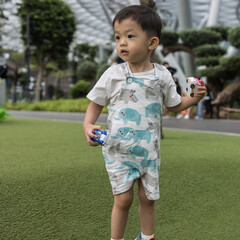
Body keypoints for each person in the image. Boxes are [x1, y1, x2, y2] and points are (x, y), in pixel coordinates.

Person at [82, 5, 206, 240]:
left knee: (147, 197)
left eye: (130, 36)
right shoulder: (113, 74)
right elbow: (95, 103)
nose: (122, 43)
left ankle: (147, 237)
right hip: (117, 149)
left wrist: (194, 98)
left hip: (149, 151)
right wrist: (87, 126)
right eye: (118, 37)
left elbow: (174, 104)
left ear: (151, 43)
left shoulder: (161, 75)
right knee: (123, 198)